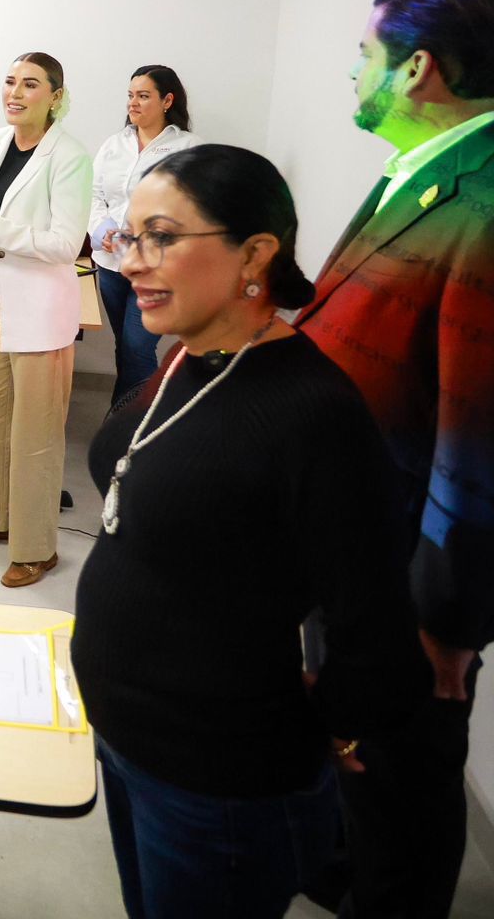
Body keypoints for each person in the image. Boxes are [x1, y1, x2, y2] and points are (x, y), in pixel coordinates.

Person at [71, 145, 429, 918]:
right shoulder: (188, 359)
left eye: (162, 237)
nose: (132, 261)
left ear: (255, 254)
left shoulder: (313, 413)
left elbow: (375, 625)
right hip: (128, 741)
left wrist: (335, 730)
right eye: (131, 237)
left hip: (218, 780)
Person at [296, 0, 494, 919]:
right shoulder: (419, 167)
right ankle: (340, 868)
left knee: (404, 783)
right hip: (352, 539)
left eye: (365, 55)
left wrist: (448, 619)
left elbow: (479, 434)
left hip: (405, 576)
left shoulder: (484, 203)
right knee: (354, 752)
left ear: (417, 69)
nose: (353, 71)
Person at [0, 53, 93, 587]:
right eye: (10, 81)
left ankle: (35, 548)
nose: (15, 92)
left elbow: (65, 244)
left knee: (35, 431)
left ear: (55, 96)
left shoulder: (70, 156)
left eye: (30, 84)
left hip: (38, 305)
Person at [88, 67, 200, 406]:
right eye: (130, 95)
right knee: (125, 345)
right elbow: (93, 195)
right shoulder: (114, 144)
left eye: (143, 96)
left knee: (138, 346)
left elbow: (193, 210)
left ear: (167, 100)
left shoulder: (188, 148)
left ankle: (133, 418)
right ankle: (126, 412)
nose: (133, 103)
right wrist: (102, 230)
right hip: (111, 263)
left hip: (156, 267)